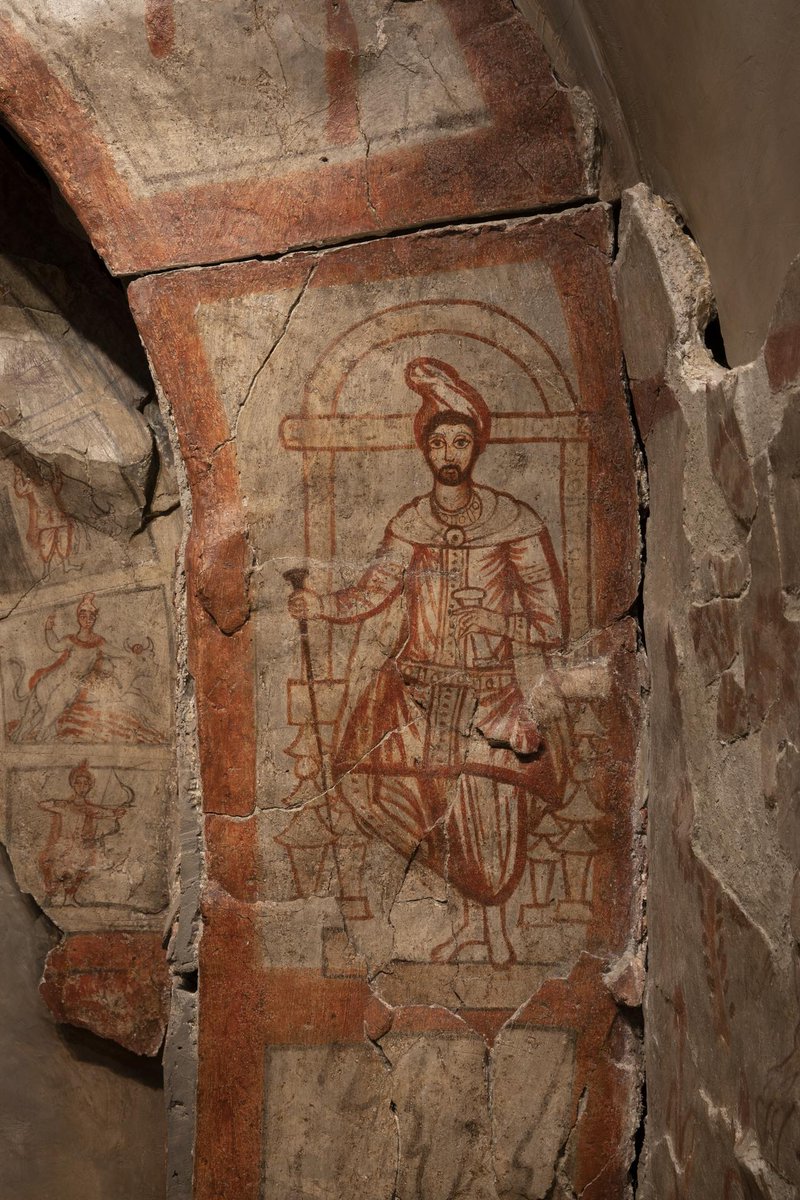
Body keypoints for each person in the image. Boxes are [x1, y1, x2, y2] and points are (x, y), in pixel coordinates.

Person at [287, 356, 566, 964]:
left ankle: (490, 934)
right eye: (438, 440)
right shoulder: (409, 523)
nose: (449, 452)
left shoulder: (514, 522)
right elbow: (371, 592)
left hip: (489, 699)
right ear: (425, 448)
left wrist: (493, 619)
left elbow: (552, 624)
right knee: (395, 800)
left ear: (477, 446)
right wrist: (320, 605)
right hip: (413, 697)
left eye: (461, 440)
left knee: (486, 827)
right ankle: (462, 928)